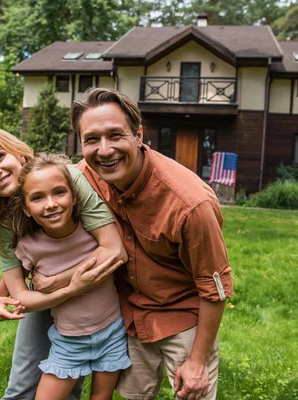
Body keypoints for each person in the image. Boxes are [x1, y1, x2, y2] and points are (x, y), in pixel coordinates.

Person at [66, 87, 233, 400]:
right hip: (128, 316)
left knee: (193, 395)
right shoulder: (84, 176)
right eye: (91, 139)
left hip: (185, 317)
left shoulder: (190, 204)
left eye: (115, 135)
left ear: (138, 135)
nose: (104, 150)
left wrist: (197, 361)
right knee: (133, 396)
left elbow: (216, 288)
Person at [0, 125, 126, 400]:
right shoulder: (3, 220)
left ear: (19, 154)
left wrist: (54, 282)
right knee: (22, 387)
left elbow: (114, 249)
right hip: (45, 296)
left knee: (72, 382)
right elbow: (27, 265)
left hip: (97, 301)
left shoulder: (64, 178)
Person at [3, 152, 131, 400]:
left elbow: (117, 254)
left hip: (112, 332)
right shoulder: (29, 247)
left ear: (75, 196)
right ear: (26, 209)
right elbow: (21, 297)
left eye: (59, 192)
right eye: (37, 198)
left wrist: (55, 282)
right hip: (69, 343)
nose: (50, 204)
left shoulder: (92, 231)